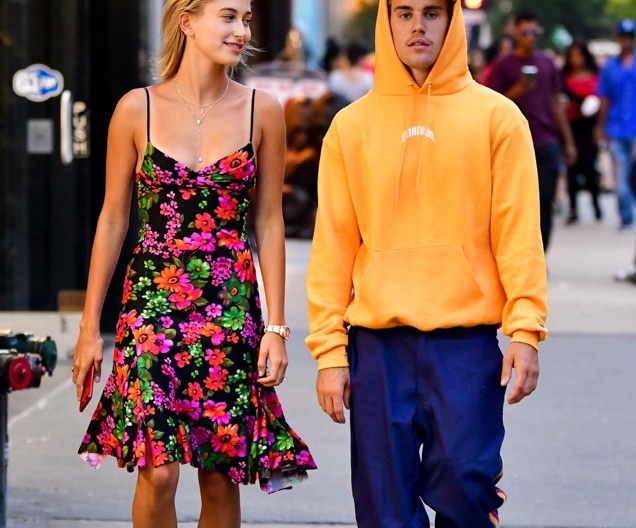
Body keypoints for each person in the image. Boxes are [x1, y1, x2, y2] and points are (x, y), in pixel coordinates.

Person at [72, 1, 315, 527]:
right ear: (187, 21)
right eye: (228, 16)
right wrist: (91, 327)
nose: (241, 30)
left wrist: (276, 325)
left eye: (246, 19)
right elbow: (114, 219)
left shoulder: (262, 110)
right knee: (157, 471)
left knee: (221, 472)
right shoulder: (136, 109)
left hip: (229, 312)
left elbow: (269, 222)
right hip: (151, 310)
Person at [306, 1, 547, 526]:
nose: (417, 26)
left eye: (432, 13)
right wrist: (329, 351)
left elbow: (518, 235)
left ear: (452, 21)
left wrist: (526, 330)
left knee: (466, 481)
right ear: (386, 21)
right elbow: (333, 247)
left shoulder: (498, 118)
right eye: (405, 13)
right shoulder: (351, 127)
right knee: (382, 508)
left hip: (466, 341)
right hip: (376, 344)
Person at [487, 10, 577, 252]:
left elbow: (557, 105)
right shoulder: (503, 66)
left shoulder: (547, 63)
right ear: (516, 31)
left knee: (545, 200)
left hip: (545, 139)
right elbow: (491, 106)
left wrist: (568, 142)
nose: (530, 37)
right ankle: (517, 253)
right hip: (513, 142)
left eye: (535, 32)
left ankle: (540, 255)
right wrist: (519, 89)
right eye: (525, 31)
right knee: (515, 203)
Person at [597, 19, 636, 231]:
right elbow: (604, 99)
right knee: (621, 177)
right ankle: (626, 216)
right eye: (623, 37)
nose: (626, 41)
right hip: (617, 128)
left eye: (629, 37)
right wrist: (600, 128)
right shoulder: (609, 67)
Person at [562, 40, 602, 224]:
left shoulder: (595, 76)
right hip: (571, 127)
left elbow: (602, 100)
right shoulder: (564, 78)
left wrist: (599, 128)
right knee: (572, 169)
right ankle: (573, 207)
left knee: (590, 168)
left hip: (589, 127)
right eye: (572, 55)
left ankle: (596, 203)